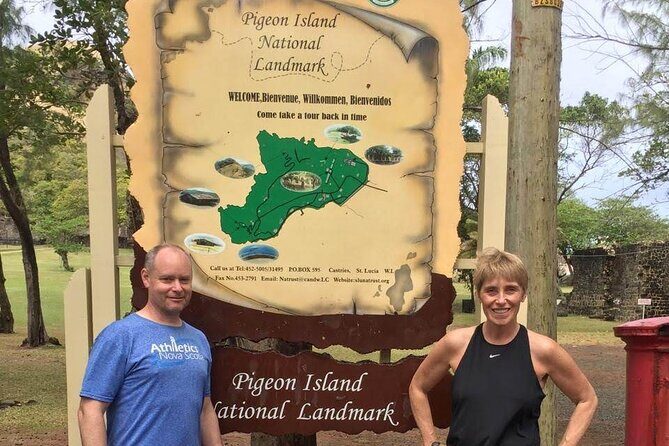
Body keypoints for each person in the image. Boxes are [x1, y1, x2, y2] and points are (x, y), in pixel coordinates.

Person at [409, 247, 597, 446]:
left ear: (523, 294)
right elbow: (418, 387)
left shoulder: (543, 350)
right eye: (491, 290)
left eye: (510, 290)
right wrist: (430, 441)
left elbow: (587, 399)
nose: (500, 300)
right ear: (479, 294)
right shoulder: (455, 344)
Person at [78, 244, 222, 446]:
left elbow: (205, 409)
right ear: (146, 278)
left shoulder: (198, 339)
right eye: (167, 279)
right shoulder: (119, 336)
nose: (177, 288)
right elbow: (90, 409)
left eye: (184, 280)